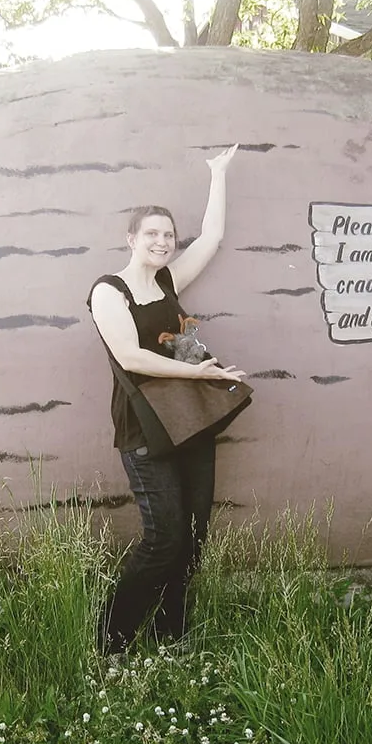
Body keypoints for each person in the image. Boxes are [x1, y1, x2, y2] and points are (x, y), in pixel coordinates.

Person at [87, 144, 245, 654]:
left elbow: (214, 237)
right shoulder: (109, 291)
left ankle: (170, 635)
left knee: (193, 538)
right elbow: (130, 357)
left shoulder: (168, 282)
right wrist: (195, 371)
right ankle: (109, 641)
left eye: (169, 235)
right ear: (131, 239)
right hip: (145, 430)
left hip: (190, 424)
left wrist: (217, 174)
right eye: (151, 233)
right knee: (163, 540)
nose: (162, 241)